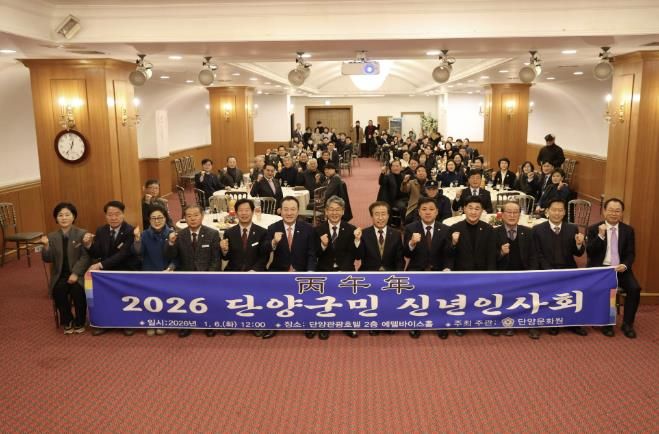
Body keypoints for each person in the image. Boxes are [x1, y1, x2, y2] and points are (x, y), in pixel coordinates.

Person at [83, 200, 141, 336]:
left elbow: (123, 254)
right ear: (106, 216)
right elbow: (97, 253)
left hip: (125, 269)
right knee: (101, 291)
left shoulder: (130, 231)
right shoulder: (101, 230)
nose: (113, 217)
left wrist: (100, 265)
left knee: (125, 296)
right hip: (106, 271)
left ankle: (128, 323)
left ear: (123, 214)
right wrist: (88, 245)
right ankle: (104, 323)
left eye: (117, 214)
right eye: (110, 215)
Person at [586, 198, 641, 338]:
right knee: (607, 288)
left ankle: (627, 324)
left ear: (622, 213)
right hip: (602, 270)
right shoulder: (593, 229)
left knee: (634, 288)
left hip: (620, 269)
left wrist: (625, 265)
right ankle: (607, 324)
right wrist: (600, 235)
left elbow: (630, 253)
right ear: (604, 211)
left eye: (617, 211)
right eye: (610, 210)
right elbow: (590, 252)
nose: (614, 213)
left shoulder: (628, 230)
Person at [264, 196, 317, 339]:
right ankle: (272, 325)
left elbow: (312, 254)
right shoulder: (273, 228)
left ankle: (307, 324)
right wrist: (273, 242)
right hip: (279, 271)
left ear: (298, 211)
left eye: (293, 209)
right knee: (271, 295)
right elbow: (263, 251)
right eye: (286, 209)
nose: (289, 213)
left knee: (309, 293)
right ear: (280, 211)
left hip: (302, 271)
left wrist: (309, 273)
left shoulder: (308, 229)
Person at [533, 198, 587, 336]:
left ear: (564, 213)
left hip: (568, 269)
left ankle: (574, 323)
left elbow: (578, 253)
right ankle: (554, 322)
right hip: (547, 270)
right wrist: (550, 271)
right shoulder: (538, 229)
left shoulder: (572, 228)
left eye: (560, 210)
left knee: (577, 292)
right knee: (551, 291)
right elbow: (538, 254)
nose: (557, 213)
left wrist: (579, 244)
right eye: (554, 210)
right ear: (547, 211)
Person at [165, 204, 221, 338]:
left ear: (202, 216)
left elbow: (216, 259)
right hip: (186, 275)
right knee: (187, 300)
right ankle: (187, 324)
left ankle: (209, 324)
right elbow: (173, 257)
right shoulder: (180, 235)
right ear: (185, 218)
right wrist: (171, 244)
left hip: (207, 275)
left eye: (196, 215)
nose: (193, 218)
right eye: (189, 216)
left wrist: (209, 276)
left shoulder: (213, 234)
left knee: (208, 300)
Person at [404, 197, 454, 340]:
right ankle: (415, 324)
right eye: (424, 209)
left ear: (437, 212)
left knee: (440, 300)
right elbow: (406, 254)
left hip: (438, 271)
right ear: (419, 212)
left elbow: (448, 254)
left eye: (431, 209)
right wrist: (412, 243)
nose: (428, 212)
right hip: (416, 270)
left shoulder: (445, 229)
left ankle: (440, 325)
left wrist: (447, 268)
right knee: (416, 300)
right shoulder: (410, 228)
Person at [314, 196, 360, 340]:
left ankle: (348, 325)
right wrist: (322, 245)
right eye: (331, 210)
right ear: (326, 211)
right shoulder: (318, 230)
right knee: (325, 300)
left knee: (347, 300)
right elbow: (314, 254)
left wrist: (357, 241)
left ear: (343, 211)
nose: (334, 213)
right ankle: (325, 325)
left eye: (338, 210)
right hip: (324, 270)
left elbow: (357, 256)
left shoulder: (351, 229)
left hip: (345, 271)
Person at [449, 196, 496, 336]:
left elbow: (491, 255)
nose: (473, 212)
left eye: (477, 209)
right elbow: (448, 254)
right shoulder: (454, 228)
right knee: (463, 301)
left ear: (482, 211)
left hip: (482, 274)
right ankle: (461, 324)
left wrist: (491, 274)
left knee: (484, 301)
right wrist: (453, 243)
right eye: (470, 208)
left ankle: (486, 323)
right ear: (464, 209)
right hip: (461, 274)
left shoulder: (488, 229)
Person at [41, 202, 90, 335]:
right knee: (59, 291)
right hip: (60, 274)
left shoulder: (82, 233)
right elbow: (48, 259)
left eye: (67, 215)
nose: (64, 218)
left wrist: (76, 273)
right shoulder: (52, 236)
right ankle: (67, 320)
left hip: (78, 274)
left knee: (78, 291)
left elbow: (85, 257)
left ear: (73, 217)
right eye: (60, 215)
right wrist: (46, 247)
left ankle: (80, 321)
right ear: (56, 218)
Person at [494, 200, 540, 339]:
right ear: (502, 215)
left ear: (520, 215)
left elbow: (533, 256)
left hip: (524, 273)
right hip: (503, 275)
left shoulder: (528, 232)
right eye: (509, 212)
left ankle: (530, 324)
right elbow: (489, 258)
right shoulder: (494, 233)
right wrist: (501, 253)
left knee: (531, 294)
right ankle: (509, 324)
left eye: (515, 213)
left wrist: (532, 273)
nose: (512, 215)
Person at [132, 205, 176, 336]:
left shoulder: (172, 233)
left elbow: (178, 257)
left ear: (165, 218)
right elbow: (138, 253)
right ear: (149, 220)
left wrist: (171, 268)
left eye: (160, 218)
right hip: (149, 272)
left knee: (166, 299)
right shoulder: (144, 234)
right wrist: (137, 239)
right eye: (153, 218)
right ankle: (151, 322)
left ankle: (163, 322)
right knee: (150, 299)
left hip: (167, 272)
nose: (157, 221)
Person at [220, 198, 270, 272]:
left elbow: (264, 257)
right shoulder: (229, 233)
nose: (244, 213)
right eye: (240, 210)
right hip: (234, 272)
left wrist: (254, 270)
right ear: (236, 214)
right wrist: (224, 251)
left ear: (252, 212)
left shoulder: (262, 232)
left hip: (255, 272)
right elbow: (226, 258)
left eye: (247, 210)